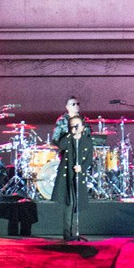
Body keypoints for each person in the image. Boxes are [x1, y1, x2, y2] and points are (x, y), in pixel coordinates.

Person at [52, 96, 94, 241]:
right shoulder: (62, 121)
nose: (76, 106)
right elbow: (57, 141)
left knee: (77, 202)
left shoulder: (84, 121)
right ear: (67, 106)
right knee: (68, 202)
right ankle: (67, 234)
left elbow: (89, 149)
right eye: (73, 104)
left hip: (78, 166)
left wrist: (82, 167)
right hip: (67, 164)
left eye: (78, 103)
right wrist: (71, 132)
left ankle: (75, 233)